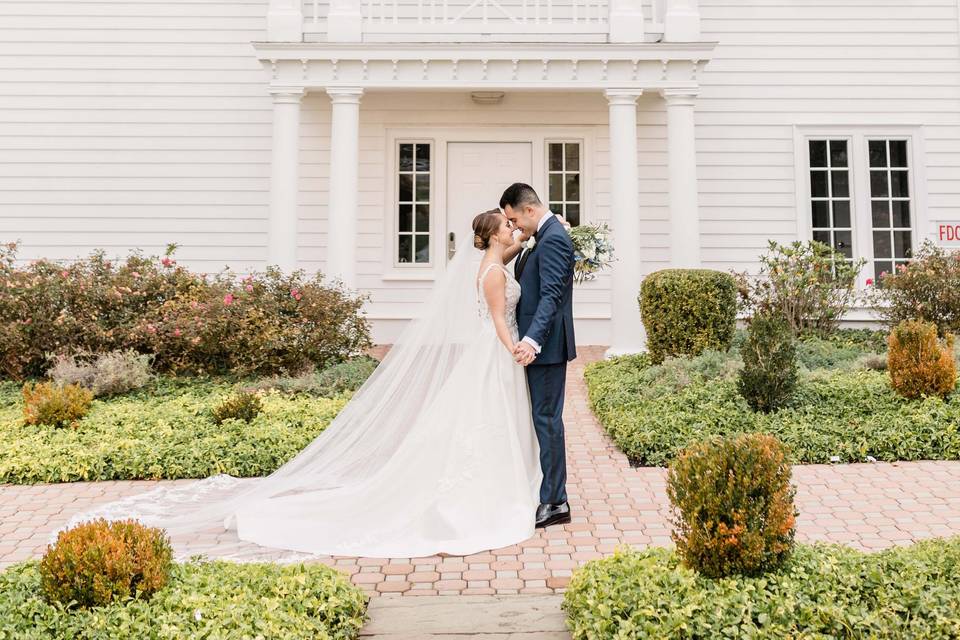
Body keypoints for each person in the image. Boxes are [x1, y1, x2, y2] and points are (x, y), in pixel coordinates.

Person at [60, 208, 562, 559]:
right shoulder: (494, 274)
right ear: (496, 234)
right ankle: (489, 496)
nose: (515, 228)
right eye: (508, 225)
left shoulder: (493, 259)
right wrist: (514, 349)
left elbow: (524, 243)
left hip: (489, 353)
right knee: (486, 421)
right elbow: (499, 320)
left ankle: (509, 486)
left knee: (484, 422)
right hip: (495, 352)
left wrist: (540, 232)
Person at [500, 183, 576, 528]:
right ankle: (545, 489)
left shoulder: (554, 238)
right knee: (540, 419)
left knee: (547, 420)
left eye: (515, 219)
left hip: (545, 348)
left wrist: (531, 341)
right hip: (537, 345)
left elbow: (551, 296)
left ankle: (556, 500)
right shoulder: (542, 236)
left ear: (530, 209)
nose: (515, 227)